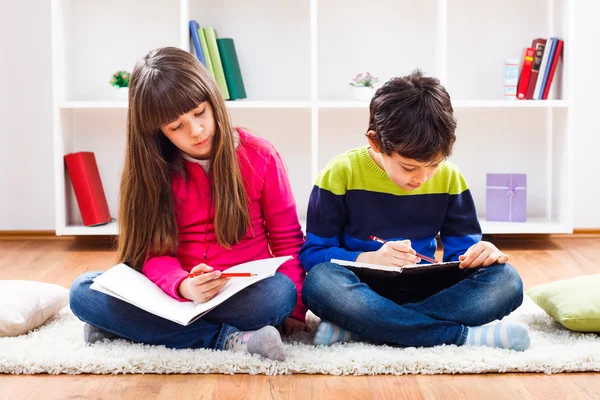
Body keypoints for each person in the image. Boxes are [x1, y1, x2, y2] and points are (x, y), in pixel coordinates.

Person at [69, 47, 307, 361]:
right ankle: (224, 340)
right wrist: (183, 286)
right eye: (176, 127)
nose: (195, 131)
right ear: (157, 132)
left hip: (241, 293)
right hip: (174, 294)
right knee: (83, 291)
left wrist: (298, 310)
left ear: (213, 100)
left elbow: (288, 241)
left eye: (199, 113)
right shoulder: (153, 170)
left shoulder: (260, 155)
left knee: (280, 295)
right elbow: (151, 254)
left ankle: (131, 328)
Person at [299, 70, 530, 351]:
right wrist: (371, 258)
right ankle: (461, 337)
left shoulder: (450, 178)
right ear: (375, 142)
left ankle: (365, 328)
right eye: (409, 167)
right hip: (361, 287)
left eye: (433, 165)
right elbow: (313, 255)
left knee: (507, 281)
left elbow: (460, 258)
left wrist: (482, 253)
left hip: (428, 288)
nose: (421, 178)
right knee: (320, 285)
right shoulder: (340, 173)